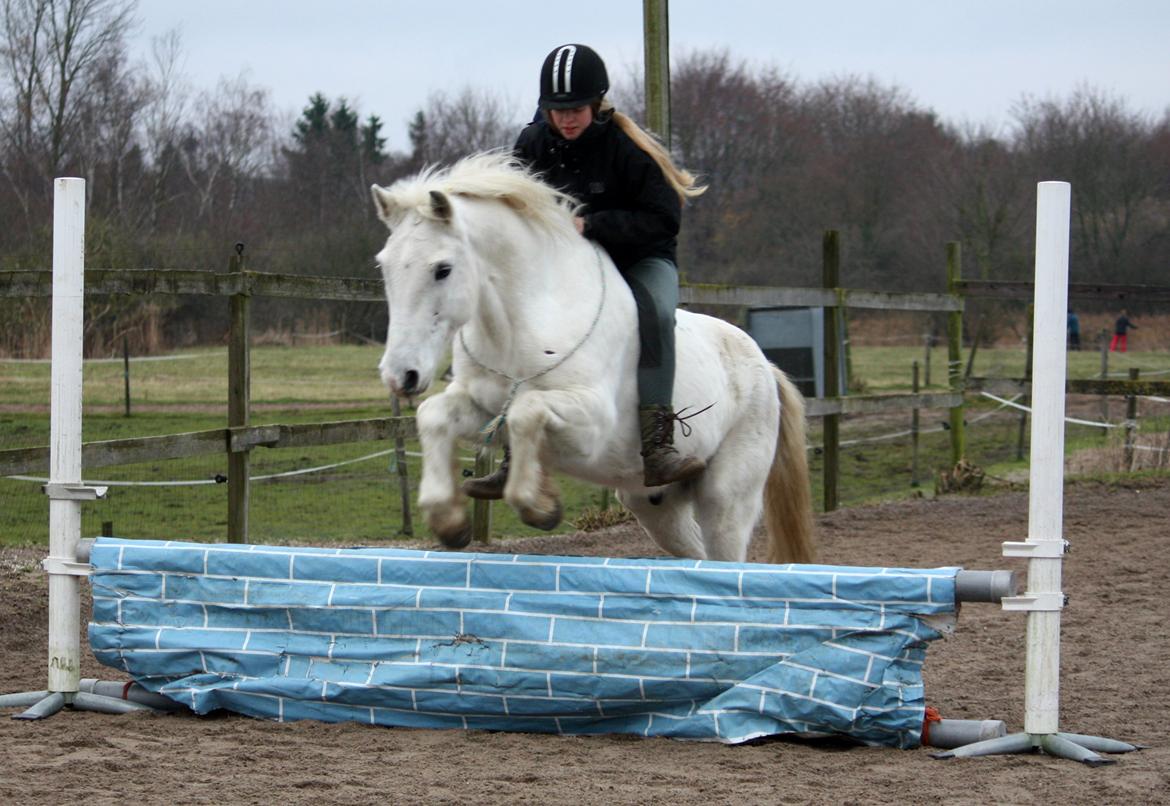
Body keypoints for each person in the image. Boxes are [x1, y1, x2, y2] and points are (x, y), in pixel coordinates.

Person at [464, 43, 708, 497]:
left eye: (575, 108)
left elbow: (663, 220)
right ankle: (518, 458)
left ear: (596, 104)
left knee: (656, 314)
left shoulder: (628, 150)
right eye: (556, 110)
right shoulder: (531, 144)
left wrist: (593, 224)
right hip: (567, 265)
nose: (566, 119)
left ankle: (658, 446)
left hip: (639, 256)